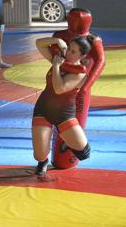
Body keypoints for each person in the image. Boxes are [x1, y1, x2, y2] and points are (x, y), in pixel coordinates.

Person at [32, 36, 92, 176]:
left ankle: (66, 138)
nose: (68, 53)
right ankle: (43, 161)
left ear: (82, 56)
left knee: (84, 153)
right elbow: (39, 43)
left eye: (73, 52)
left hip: (64, 114)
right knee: (39, 155)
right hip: (43, 110)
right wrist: (57, 41)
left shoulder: (80, 74)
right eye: (69, 49)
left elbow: (59, 88)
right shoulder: (61, 58)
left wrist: (56, 66)